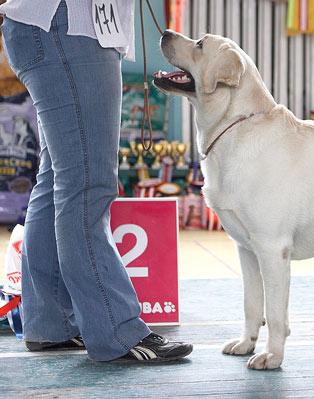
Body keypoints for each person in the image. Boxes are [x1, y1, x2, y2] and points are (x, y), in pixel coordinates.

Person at [0, 0, 193, 361]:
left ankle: (50, 322)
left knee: (60, 176)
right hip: (70, 28)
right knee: (87, 184)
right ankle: (117, 330)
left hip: (48, 26)